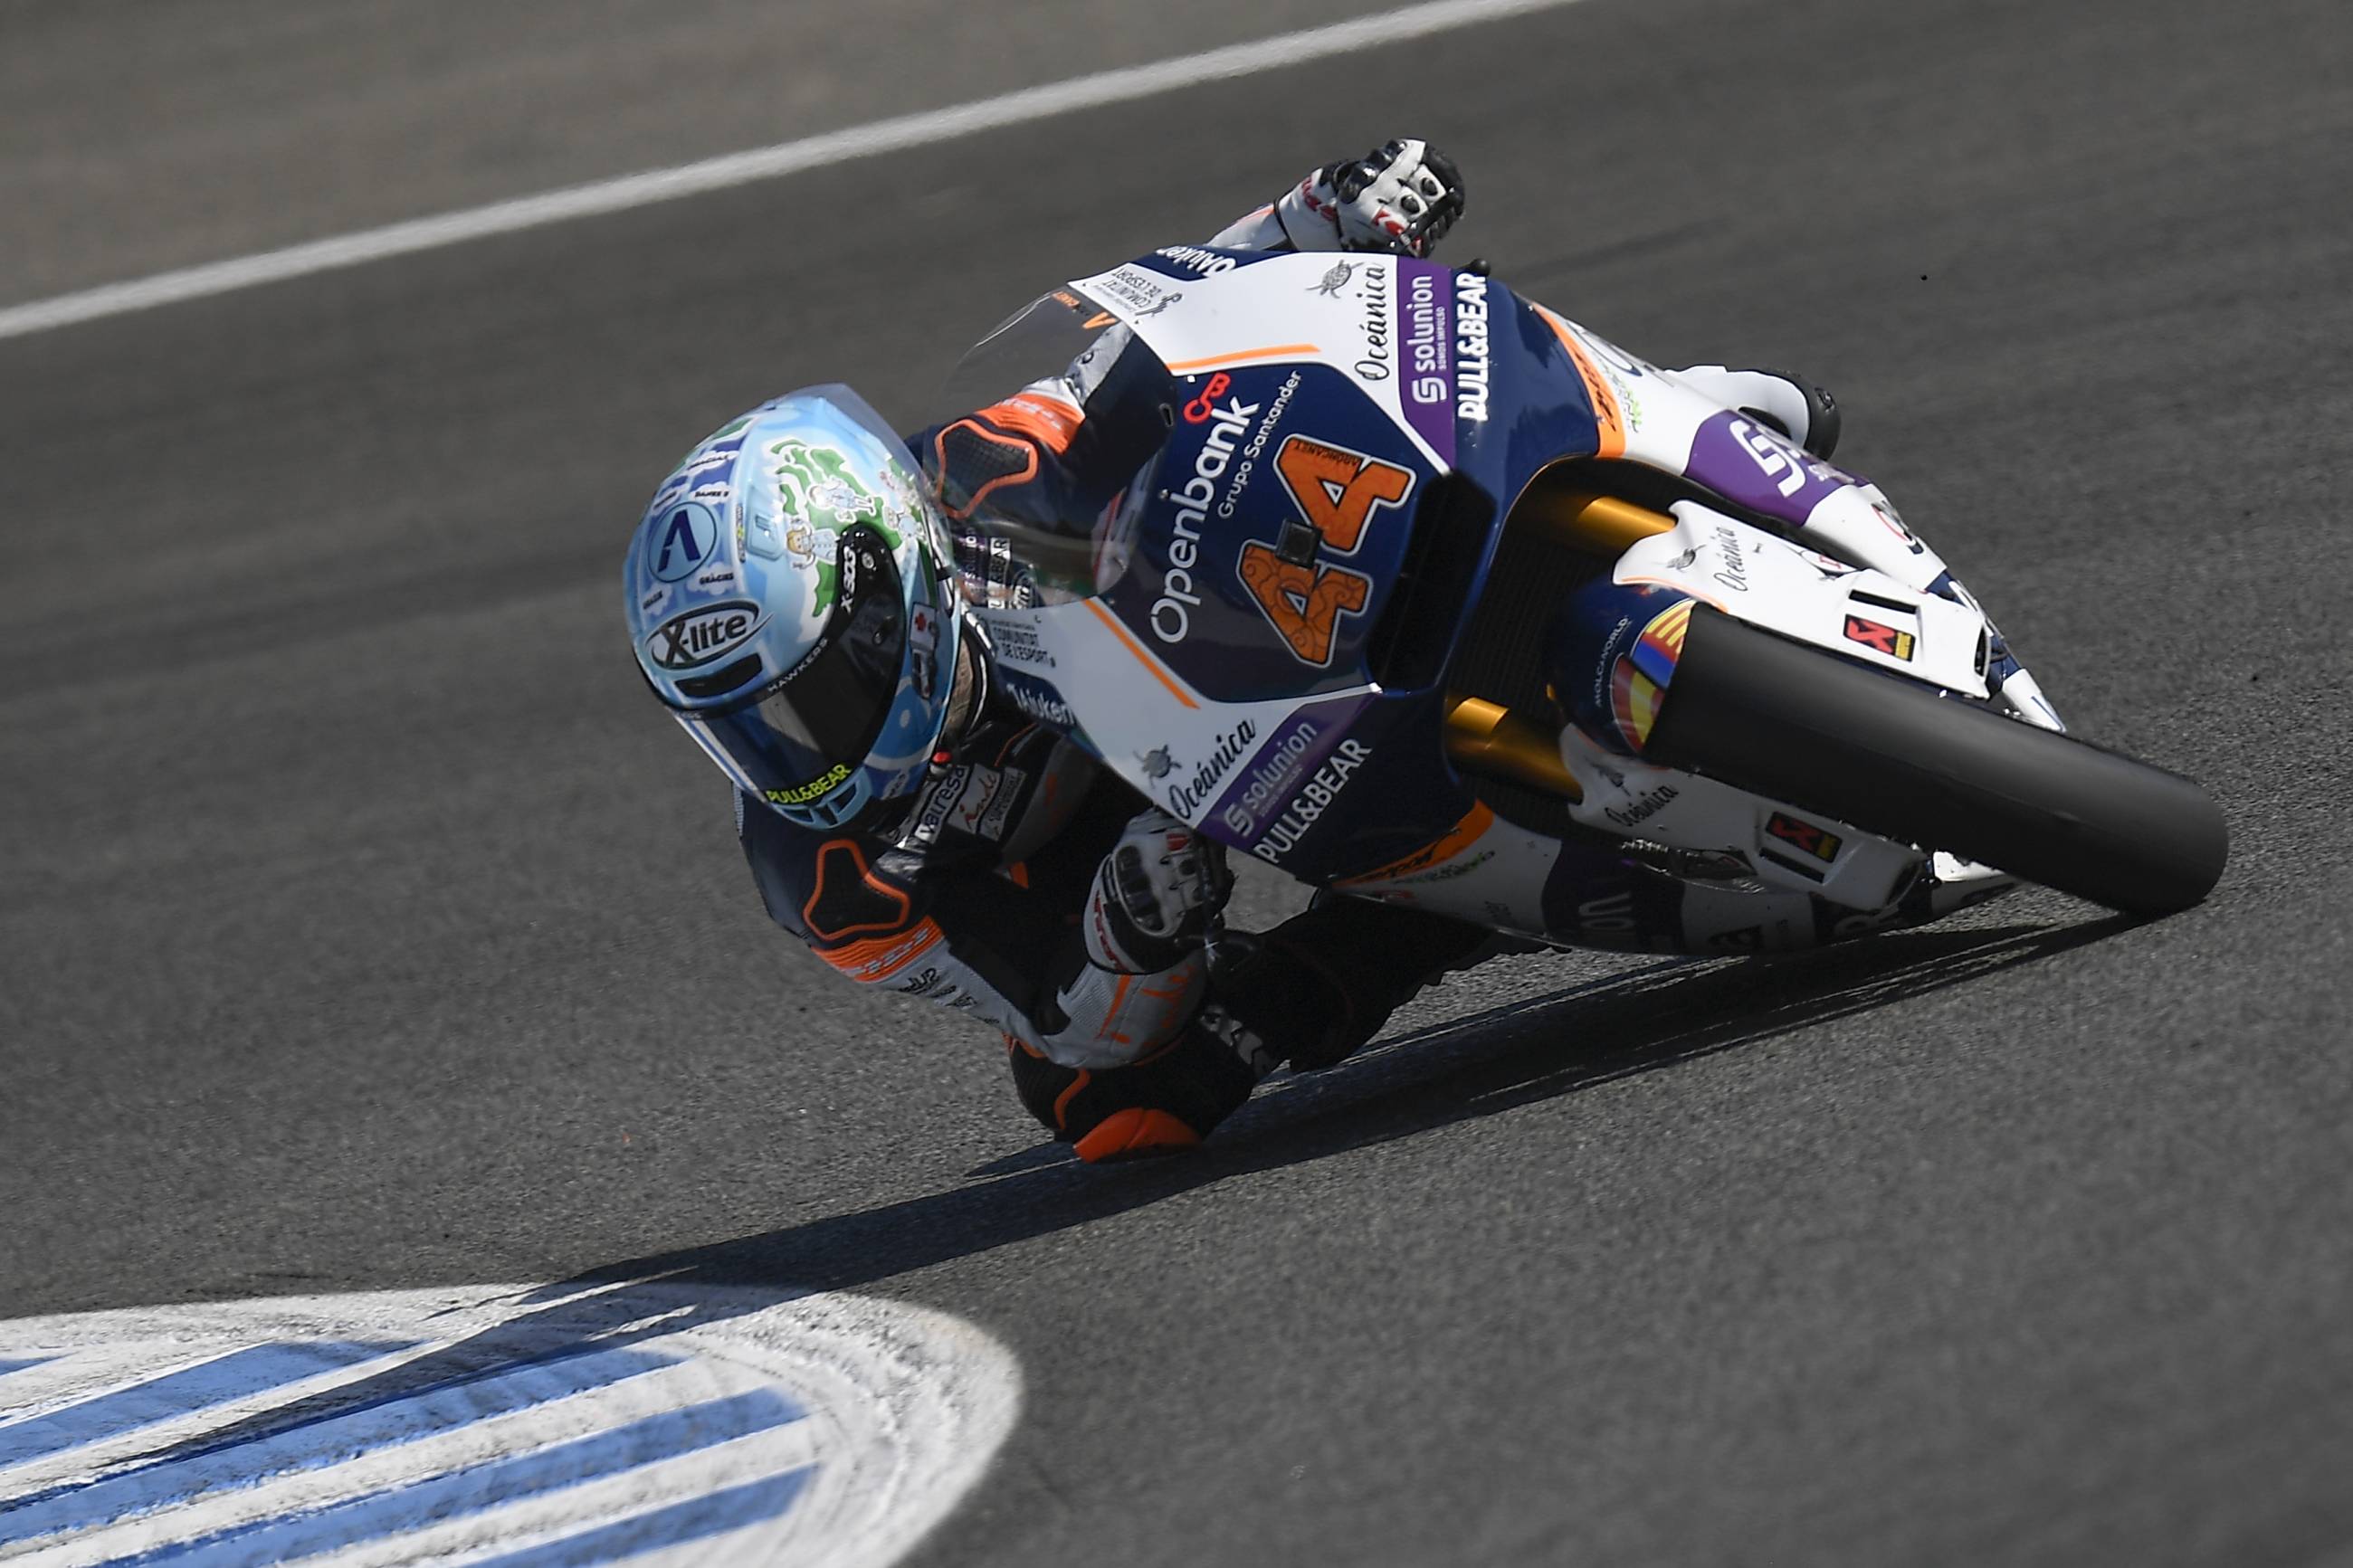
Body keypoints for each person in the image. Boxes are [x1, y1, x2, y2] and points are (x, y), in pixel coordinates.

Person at [622, 141, 1845, 1163]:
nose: (792, 756)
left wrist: (1316, 217)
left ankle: (1652, 416)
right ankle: (1416, 919)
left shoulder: (981, 478)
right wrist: (1130, 936)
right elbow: (1060, 1017)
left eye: (808, 698)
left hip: (1184, 639)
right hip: (1111, 835)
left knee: (1367, 405)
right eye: (742, 730)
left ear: (890, 588)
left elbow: (1151, 340)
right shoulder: (831, 877)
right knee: (1106, 1106)